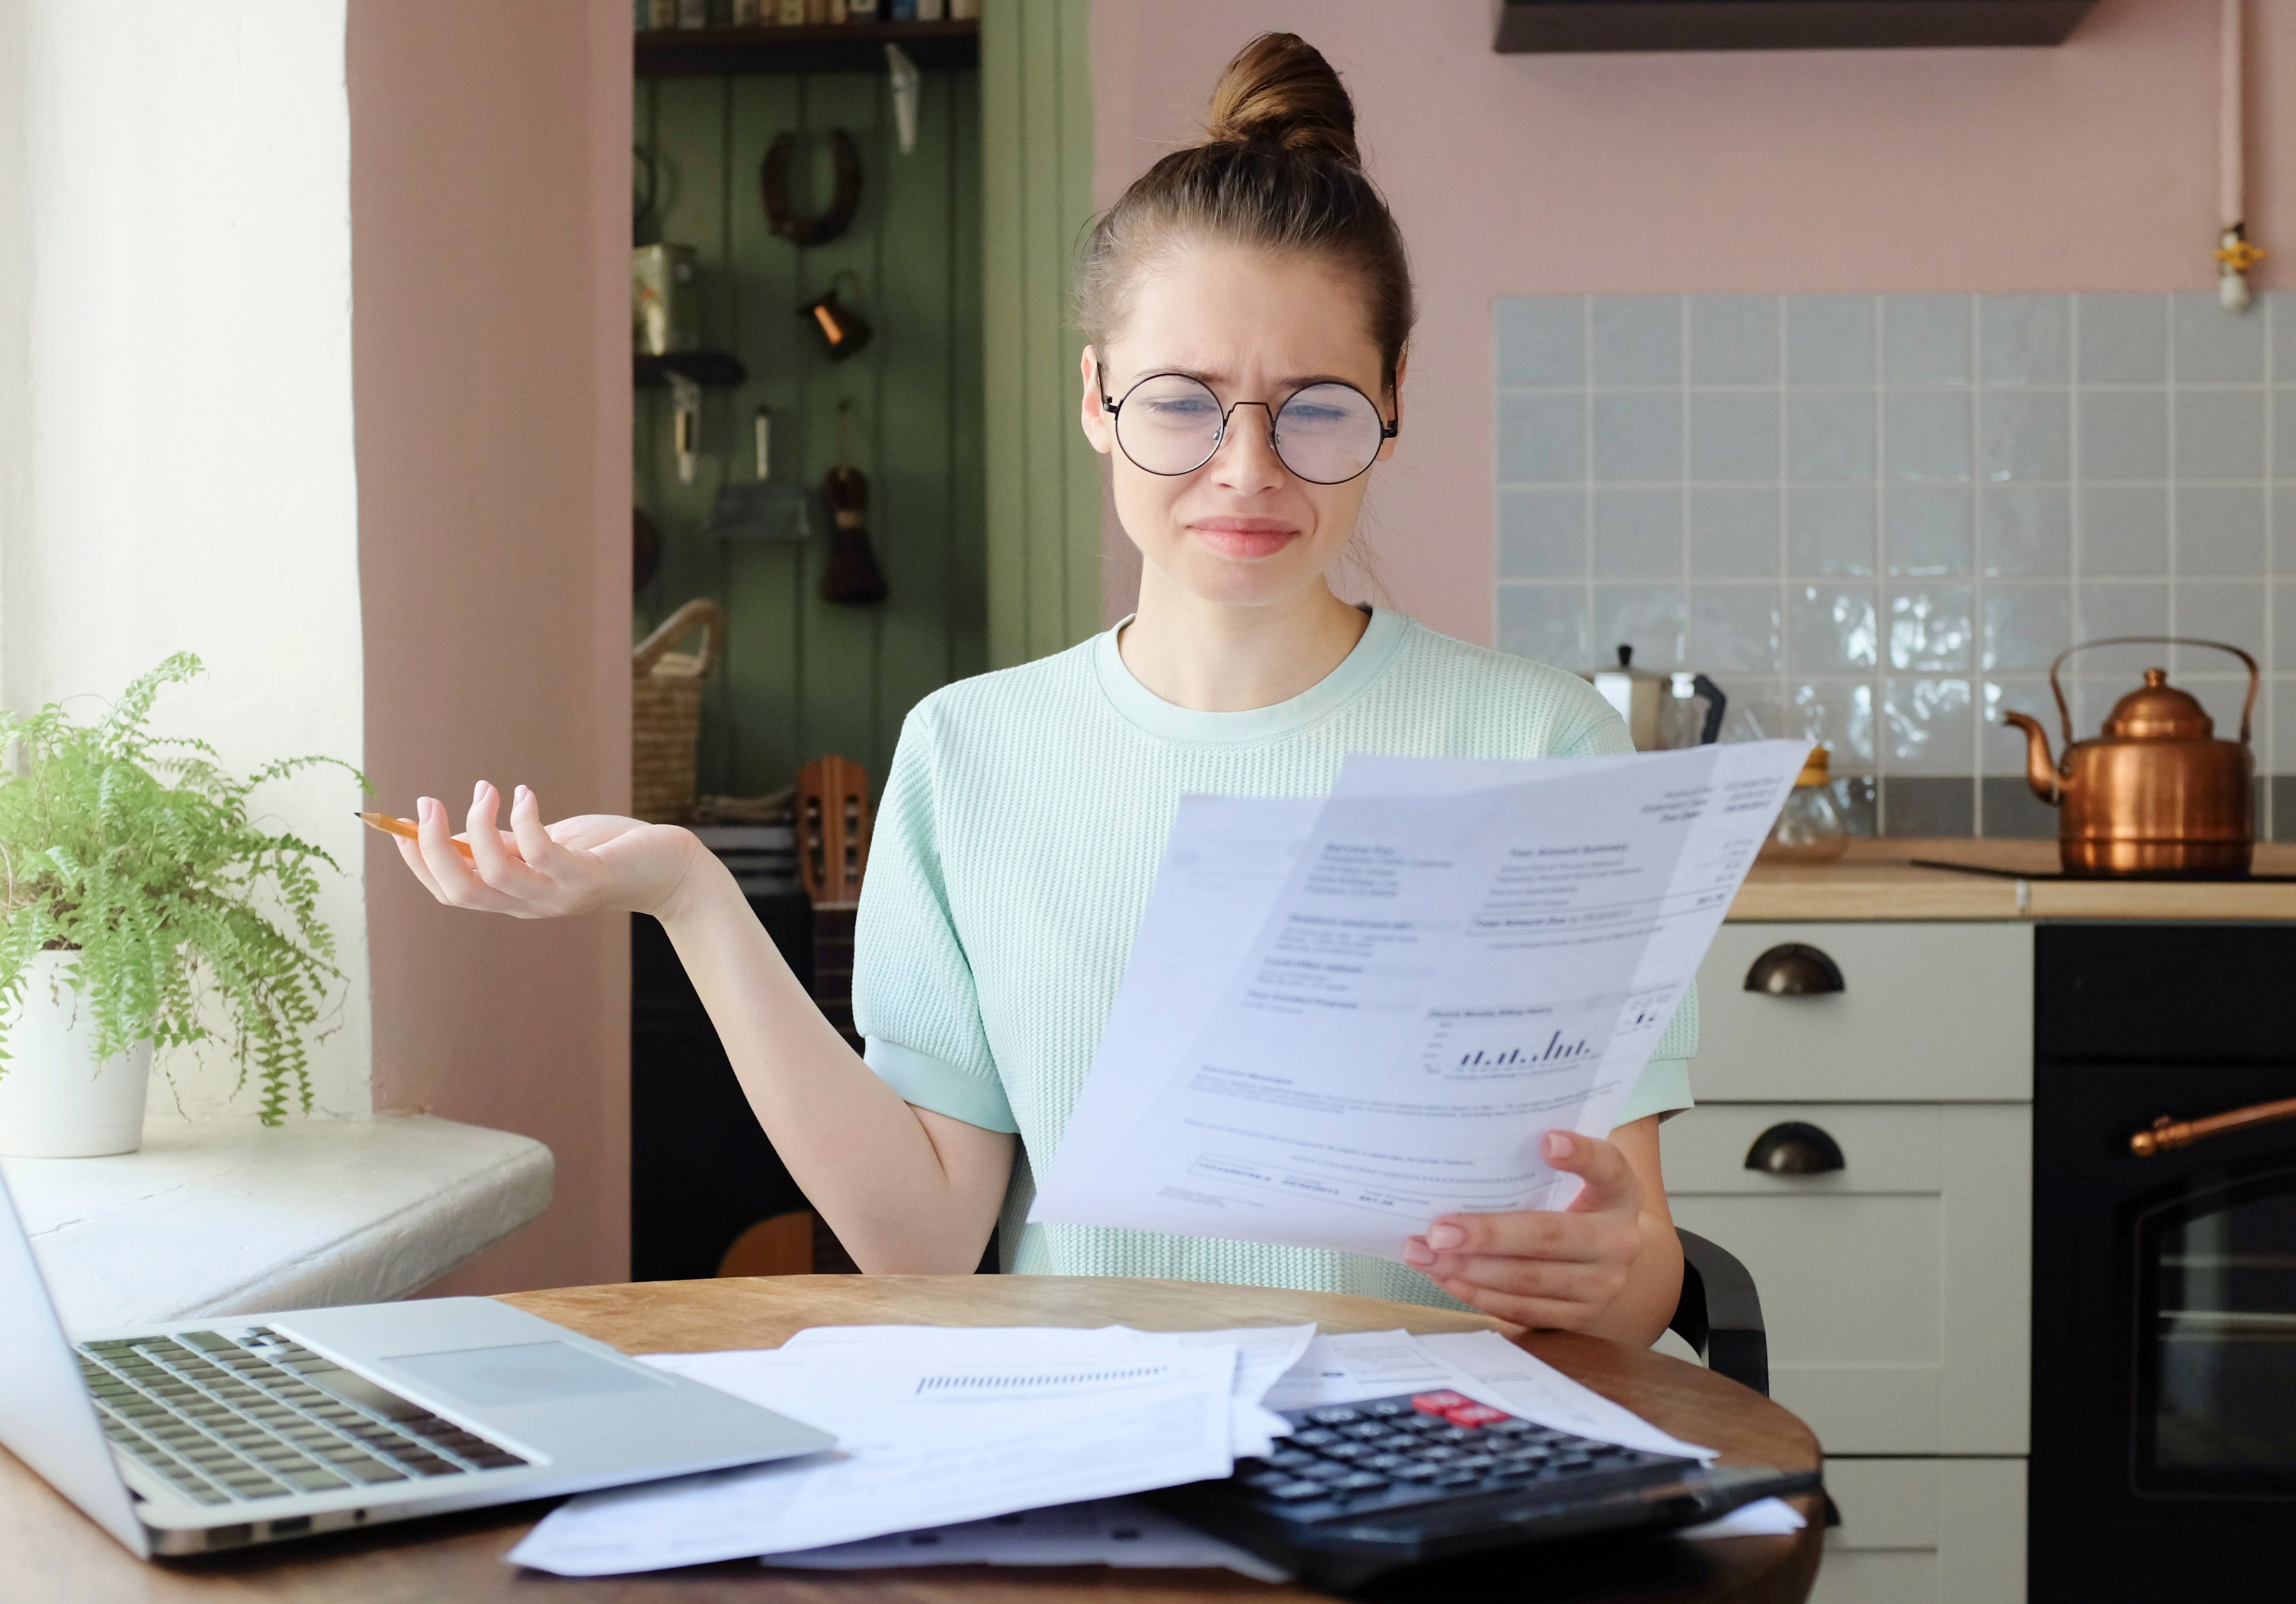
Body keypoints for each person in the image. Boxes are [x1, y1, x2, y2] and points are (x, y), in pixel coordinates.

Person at [397, 32, 1692, 1346]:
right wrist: (685, 889)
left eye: (1316, 407)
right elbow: (924, 1241)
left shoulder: (1541, 743)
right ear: (1094, 396)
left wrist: (1599, 1267)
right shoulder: (973, 751)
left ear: (1396, 398)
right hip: (1087, 1452)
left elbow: (1641, 1275)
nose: (1247, 469)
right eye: (1184, 403)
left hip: (1428, 1455)